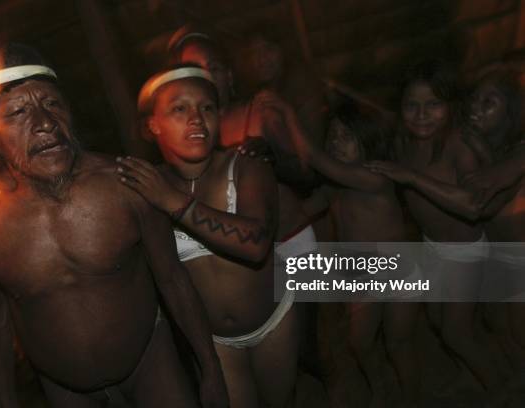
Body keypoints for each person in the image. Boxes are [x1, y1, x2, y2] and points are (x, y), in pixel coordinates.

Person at [0, 42, 227, 408]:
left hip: (150, 364)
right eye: (18, 112)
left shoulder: (124, 185)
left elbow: (173, 279)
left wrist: (210, 371)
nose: (45, 124)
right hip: (64, 389)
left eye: (52, 104)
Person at [118, 66, 299, 407]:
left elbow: (257, 244)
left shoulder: (246, 164)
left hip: (274, 321)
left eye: (207, 107)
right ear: (153, 125)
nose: (197, 119)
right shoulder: (144, 188)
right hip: (215, 341)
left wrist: (172, 202)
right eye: (179, 109)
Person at [259, 94, 421, 407]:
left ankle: (412, 399)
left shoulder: (374, 176)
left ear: (368, 142)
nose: (336, 142)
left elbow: (315, 159)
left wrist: (289, 112)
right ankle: (378, 389)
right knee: (360, 344)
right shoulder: (336, 185)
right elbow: (305, 209)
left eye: (347, 137)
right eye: (333, 136)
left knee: (399, 344)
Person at [365, 59, 509, 401]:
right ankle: (467, 373)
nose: (422, 114)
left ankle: (501, 389)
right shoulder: (403, 143)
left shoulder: (459, 144)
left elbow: (474, 204)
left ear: (450, 107)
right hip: (432, 245)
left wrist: (412, 177)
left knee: (456, 332)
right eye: (412, 106)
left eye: (433, 105)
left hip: (465, 249)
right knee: (436, 320)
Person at [462, 68, 525, 368]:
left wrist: (479, 149)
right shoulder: (471, 146)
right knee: (497, 324)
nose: (477, 108)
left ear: (511, 110)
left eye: (490, 102)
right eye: (475, 99)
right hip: (497, 254)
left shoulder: (520, 148)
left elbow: (496, 184)